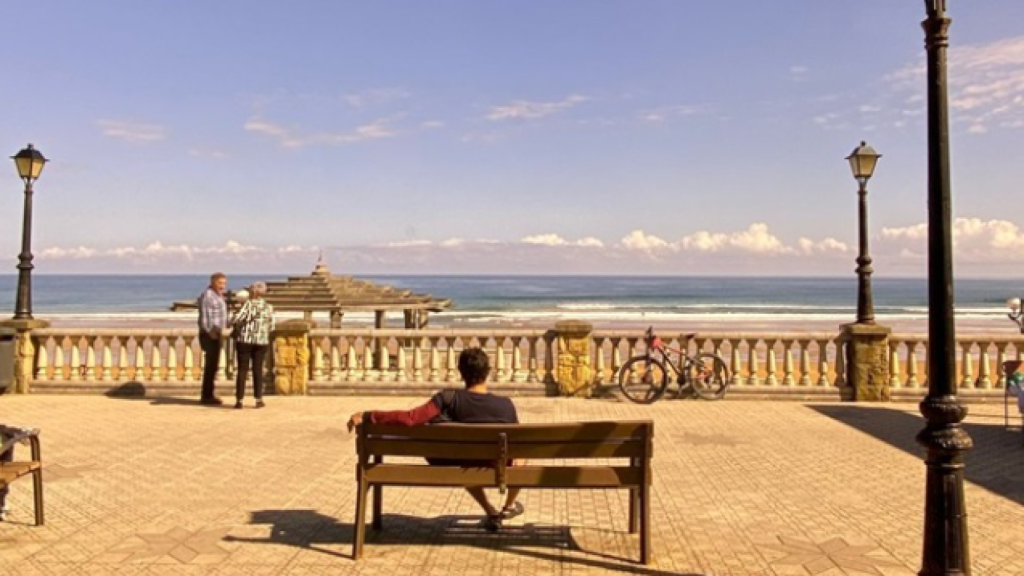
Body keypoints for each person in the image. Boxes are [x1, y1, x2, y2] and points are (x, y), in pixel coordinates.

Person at [347, 347, 524, 531]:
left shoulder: (447, 398)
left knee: (463, 457)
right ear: (488, 372)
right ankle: (509, 506)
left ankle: (491, 512)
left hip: (459, 464)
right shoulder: (506, 405)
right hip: (495, 465)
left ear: (461, 372)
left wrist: (369, 416)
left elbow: (411, 418)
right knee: (521, 456)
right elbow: (519, 443)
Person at [230, 282, 274, 409]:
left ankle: (239, 400)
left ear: (252, 292)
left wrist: (234, 317)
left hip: (245, 340)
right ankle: (258, 399)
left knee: (242, 370)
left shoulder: (248, 304)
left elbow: (237, 319)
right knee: (257, 370)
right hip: (261, 341)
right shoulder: (268, 307)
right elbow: (272, 326)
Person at [198, 272, 229, 406]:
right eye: (220, 283)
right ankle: (206, 396)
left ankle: (210, 394)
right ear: (213, 282)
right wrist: (212, 334)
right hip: (210, 334)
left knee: (214, 366)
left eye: (224, 283)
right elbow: (205, 319)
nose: (222, 286)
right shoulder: (208, 296)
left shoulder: (218, 295)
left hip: (217, 333)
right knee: (210, 367)